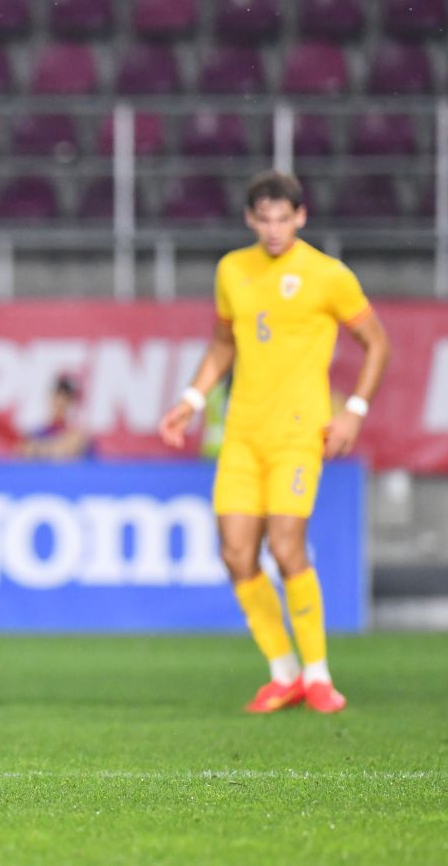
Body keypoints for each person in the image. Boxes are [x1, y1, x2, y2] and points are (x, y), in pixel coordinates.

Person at [158, 170, 390, 715]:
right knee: (236, 553)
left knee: (286, 546)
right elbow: (223, 343)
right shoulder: (232, 270)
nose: (274, 229)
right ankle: (283, 672)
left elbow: (377, 343)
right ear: (250, 219)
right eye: (264, 219)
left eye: (283, 218)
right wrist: (192, 399)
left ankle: (319, 675)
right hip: (242, 434)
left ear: (301, 217)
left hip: (298, 433)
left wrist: (354, 411)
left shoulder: (327, 275)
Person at [17, 374, 92, 461]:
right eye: (58, 396)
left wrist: (38, 449)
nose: (61, 402)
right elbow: (23, 450)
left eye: (66, 398)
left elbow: (67, 450)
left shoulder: (77, 433)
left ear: (71, 403)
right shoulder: (36, 433)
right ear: (51, 398)